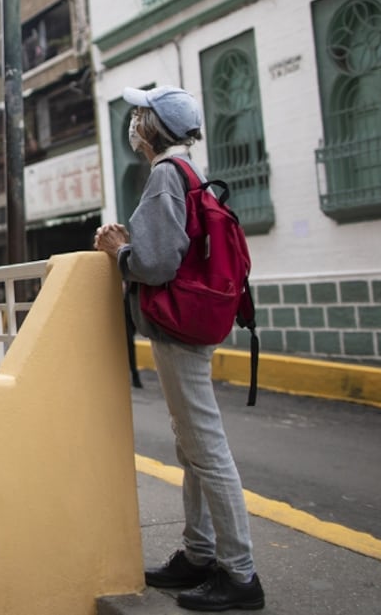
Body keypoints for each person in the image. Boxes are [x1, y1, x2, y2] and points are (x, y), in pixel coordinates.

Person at [94, 85, 264, 612]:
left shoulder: (167, 176)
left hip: (177, 331)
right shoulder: (189, 172)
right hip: (193, 326)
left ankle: (240, 575)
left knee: (206, 450)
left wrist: (118, 249)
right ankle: (198, 553)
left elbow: (157, 263)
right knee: (191, 447)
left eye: (139, 113)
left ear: (153, 126)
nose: (133, 122)